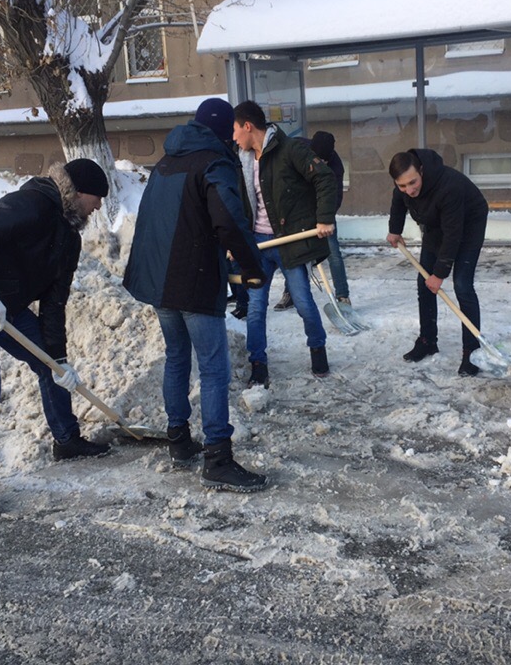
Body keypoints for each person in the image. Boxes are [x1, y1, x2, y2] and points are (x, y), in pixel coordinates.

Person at [0, 158, 112, 516]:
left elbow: (54, 303)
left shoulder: (69, 238)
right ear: (78, 192)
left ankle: (67, 440)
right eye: (96, 200)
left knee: (50, 367)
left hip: (11, 308)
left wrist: (59, 358)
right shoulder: (32, 204)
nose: (97, 208)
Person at [124, 98, 269, 493]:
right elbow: (230, 221)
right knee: (213, 367)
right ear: (224, 132)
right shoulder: (213, 162)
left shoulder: (167, 162)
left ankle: (179, 441)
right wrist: (252, 267)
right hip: (192, 278)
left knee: (176, 357)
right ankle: (218, 458)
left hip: (158, 281)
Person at [232, 100, 338, 386]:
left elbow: (325, 179)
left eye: (235, 130)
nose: (233, 137)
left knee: (303, 301)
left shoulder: (290, 150)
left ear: (247, 126)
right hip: (257, 246)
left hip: (287, 241)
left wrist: (324, 217)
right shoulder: (240, 160)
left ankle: (317, 348)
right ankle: (258, 363)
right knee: (255, 307)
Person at [386, 149, 489, 377]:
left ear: (421, 170)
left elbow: (453, 235)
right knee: (424, 284)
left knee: (462, 284)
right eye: (402, 185)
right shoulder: (404, 186)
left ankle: (472, 351)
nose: (409, 190)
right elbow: (398, 201)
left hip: (469, 224)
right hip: (435, 223)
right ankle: (427, 340)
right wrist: (395, 230)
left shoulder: (448, 186)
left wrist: (440, 273)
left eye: (413, 183)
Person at [273, 130, 352, 311]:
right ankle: (290, 293)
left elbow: (335, 196)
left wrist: (324, 218)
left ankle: (342, 296)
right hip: (298, 210)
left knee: (333, 253)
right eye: (318, 159)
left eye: (325, 161)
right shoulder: (297, 150)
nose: (321, 164)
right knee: (295, 253)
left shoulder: (336, 166)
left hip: (323, 211)